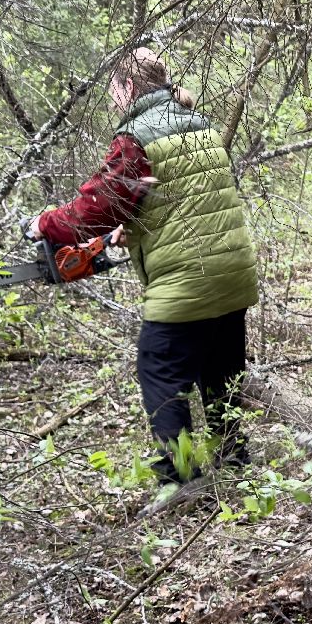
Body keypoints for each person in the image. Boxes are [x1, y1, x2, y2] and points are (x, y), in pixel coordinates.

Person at [34, 46, 258, 483]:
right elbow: (186, 199)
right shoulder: (198, 124)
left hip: (186, 281)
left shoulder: (137, 137)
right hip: (233, 273)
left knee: (160, 370)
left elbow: (92, 211)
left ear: (129, 87)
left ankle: (180, 479)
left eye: (115, 90)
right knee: (220, 374)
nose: (113, 100)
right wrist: (133, 225)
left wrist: (44, 222)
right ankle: (234, 463)